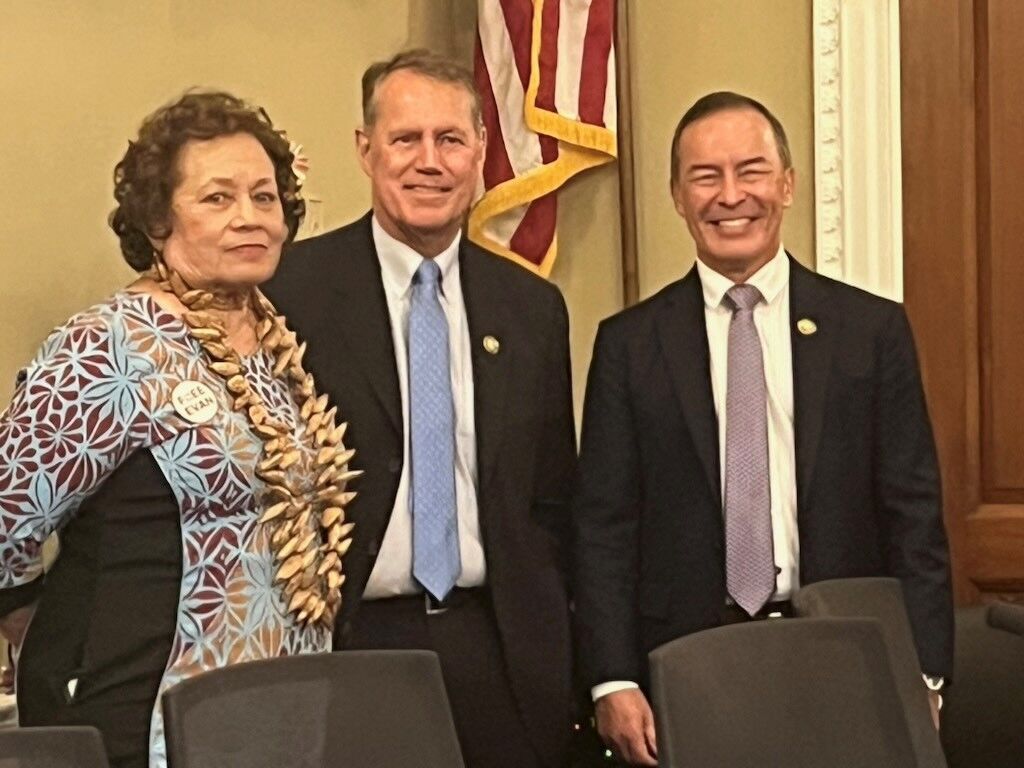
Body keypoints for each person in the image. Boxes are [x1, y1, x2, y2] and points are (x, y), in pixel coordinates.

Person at [572, 91, 954, 766]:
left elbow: (913, 517)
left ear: (787, 184)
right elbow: (604, 527)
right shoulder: (630, 346)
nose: (730, 196)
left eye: (750, 171)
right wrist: (613, 677)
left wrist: (923, 673)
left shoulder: (870, 333)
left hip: (846, 654)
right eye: (705, 176)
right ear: (677, 196)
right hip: (686, 665)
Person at [0, 91, 357, 768]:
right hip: (138, 716)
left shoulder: (276, 340)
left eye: (264, 196)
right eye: (218, 199)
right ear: (159, 219)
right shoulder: (107, 347)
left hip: (278, 715)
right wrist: (38, 622)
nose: (250, 218)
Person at [265, 50, 577, 768]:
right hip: (353, 646)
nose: (428, 162)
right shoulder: (292, 294)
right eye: (406, 140)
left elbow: (554, 498)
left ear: (479, 156)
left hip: (500, 652)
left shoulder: (532, 309)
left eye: (451, 140)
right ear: (365, 150)